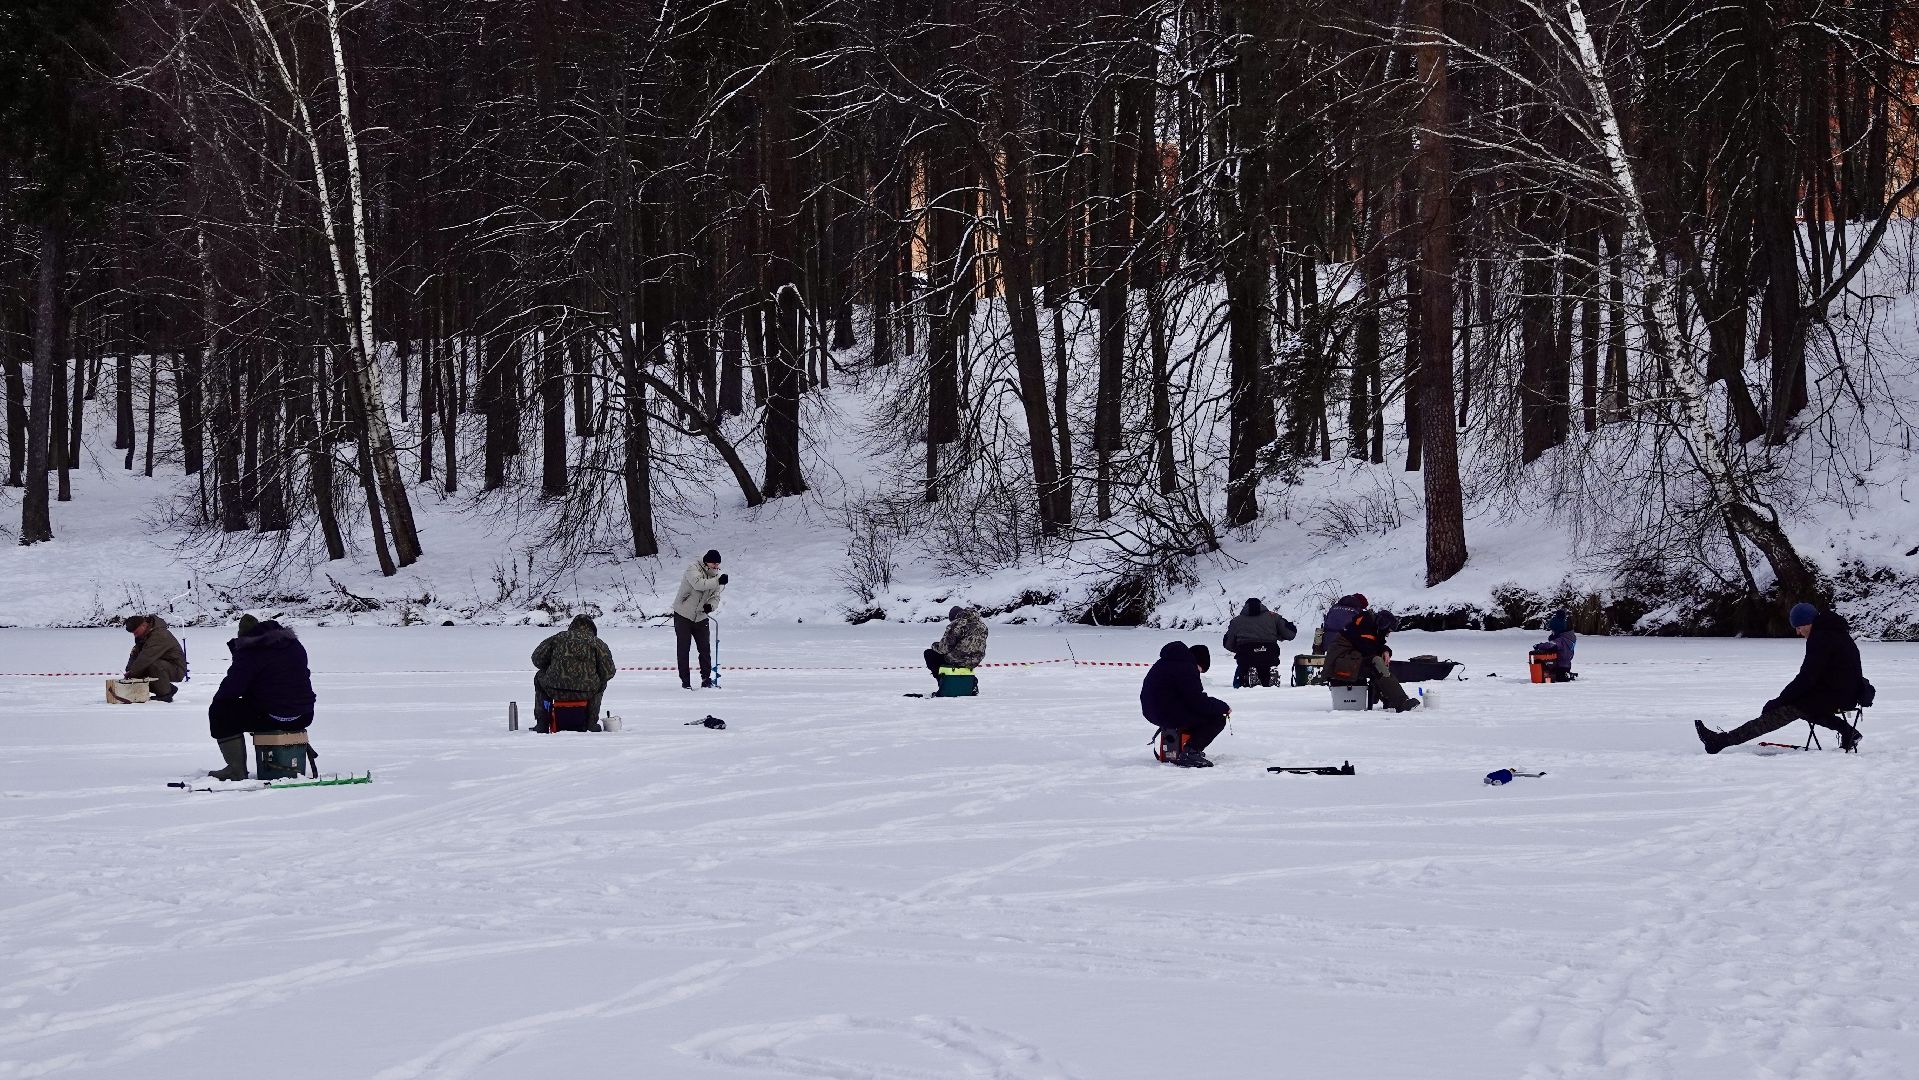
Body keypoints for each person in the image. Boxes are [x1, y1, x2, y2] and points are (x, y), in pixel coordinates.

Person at [1695, 602, 1870, 753]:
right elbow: (1816, 676)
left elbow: (1807, 677)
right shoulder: (1835, 633)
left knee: (1786, 710)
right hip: (1846, 693)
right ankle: (1848, 732)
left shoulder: (1821, 638)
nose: (1798, 633)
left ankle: (1720, 742)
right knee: (1801, 706)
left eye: (1799, 627)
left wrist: (1779, 701)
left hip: (1837, 694)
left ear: (1808, 623)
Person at [205, 614, 316, 781]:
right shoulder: (294, 645)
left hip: (273, 716)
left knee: (220, 711)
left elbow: (231, 690)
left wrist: (239, 655)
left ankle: (236, 770)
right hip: (303, 715)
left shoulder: (252, 652)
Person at [1141, 641, 1231, 767]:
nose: (1199, 673)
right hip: (1166, 713)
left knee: (1195, 716)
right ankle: (1191, 752)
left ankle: (1179, 750)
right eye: (1201, 670)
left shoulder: (1166, 662)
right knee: (1217, 718)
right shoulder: (1186, 667)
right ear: (1199, 663)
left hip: (1152, 712)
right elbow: (1198, 701)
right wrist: (1223, 707)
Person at [1325, 604, 1418, 712]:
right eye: (1387, 631)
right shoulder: (1365, 627)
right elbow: (1368, 649)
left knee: (1376, 663)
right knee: (1377, 662)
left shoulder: (1367, 626)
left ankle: (1391, 699)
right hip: (1340, 664)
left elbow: (1373, 645)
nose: (1387, 634)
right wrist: (1384, 650)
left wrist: (1385, 650)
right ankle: (1400, 702)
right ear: (1383, 625)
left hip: (1347, 660)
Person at [532, 615, 618, 729]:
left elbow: (537, 660)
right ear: (592, 629)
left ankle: (542, 724)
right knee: (601, 682)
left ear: (572, 626)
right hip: (586, 691)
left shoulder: (558, 638)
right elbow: (609, 672)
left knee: (539, 677)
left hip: (555, 690)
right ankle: (591, 724)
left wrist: (551, 667)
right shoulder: (597, 642)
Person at [672, 550, 727, 689]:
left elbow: (716, 596)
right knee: (684, 649)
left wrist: (711, 606)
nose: (716, 567)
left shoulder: (716, 575)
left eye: (718, 564)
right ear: (706, 562)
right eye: (714, 563)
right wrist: (717, 581)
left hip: (701, 617)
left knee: (704, 649)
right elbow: (699, 584)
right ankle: (685, 682)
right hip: (683, 614)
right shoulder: (693, 568)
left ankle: (706, 679)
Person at [1222, 598, 1296, 687]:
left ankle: (1249, 674)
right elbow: (1289, 634)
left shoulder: (1236, 621)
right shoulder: (1273, 617)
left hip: (1246, 655)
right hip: (1269, 654)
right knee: (1267, 662)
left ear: (1245, 607)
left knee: (1242, 670)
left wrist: (1238, 649)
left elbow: (1228, 643)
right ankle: (1270, 674)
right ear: (1262, 605)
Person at [123, 614, 186, 703]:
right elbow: (135, 653)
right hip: (162, 666)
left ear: (144, 625)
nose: (135, 636)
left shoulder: (160, 635)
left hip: (176, 669)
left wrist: (132, 673)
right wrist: (129, 670)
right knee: (140, 671)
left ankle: (165, 695)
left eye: (136, 632)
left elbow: (146, 657)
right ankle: (169, 688)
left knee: (152, 664)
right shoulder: (143, 636)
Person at [925, 605, 989, 686]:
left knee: (929, 654)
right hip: (975, 661)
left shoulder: (957, 624)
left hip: (957, 659)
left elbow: (944, 648)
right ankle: (972, 684)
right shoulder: (982, 625)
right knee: (963, 661)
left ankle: (943, 683)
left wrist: (934, 646)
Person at [1542, 608, 1577, 682]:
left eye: (1553, 630)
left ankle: (1565, 675)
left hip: (1560, 667)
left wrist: (1539, 646)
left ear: (1558, 630)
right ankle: (1567, 674)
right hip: (1566, 666)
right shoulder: (1569, 636)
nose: (1552, 632)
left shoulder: (1561, 640)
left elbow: (1551, 645)